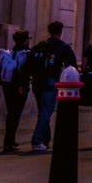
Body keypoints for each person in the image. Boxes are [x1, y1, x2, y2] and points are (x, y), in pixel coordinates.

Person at [26, 20, 78, 152]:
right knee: (46, 112)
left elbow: (28, 65)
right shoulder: (63, 47)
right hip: (51, 81)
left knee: (43, 111)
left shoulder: (39, 46)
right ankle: (37, 141)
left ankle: (45, 139)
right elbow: (72, 67)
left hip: (37, 82)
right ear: (60, 32)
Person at [0, 31, 31, 154]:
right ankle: (8, 142)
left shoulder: (7, 54)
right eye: (28, 38)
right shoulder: (26, 54)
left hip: (7, 87)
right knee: (15, 114)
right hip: (19, 88)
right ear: (25, 40)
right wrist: (23, 86)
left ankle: (10, 140)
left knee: (12, 113)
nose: (29, 40)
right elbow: (25, 72)